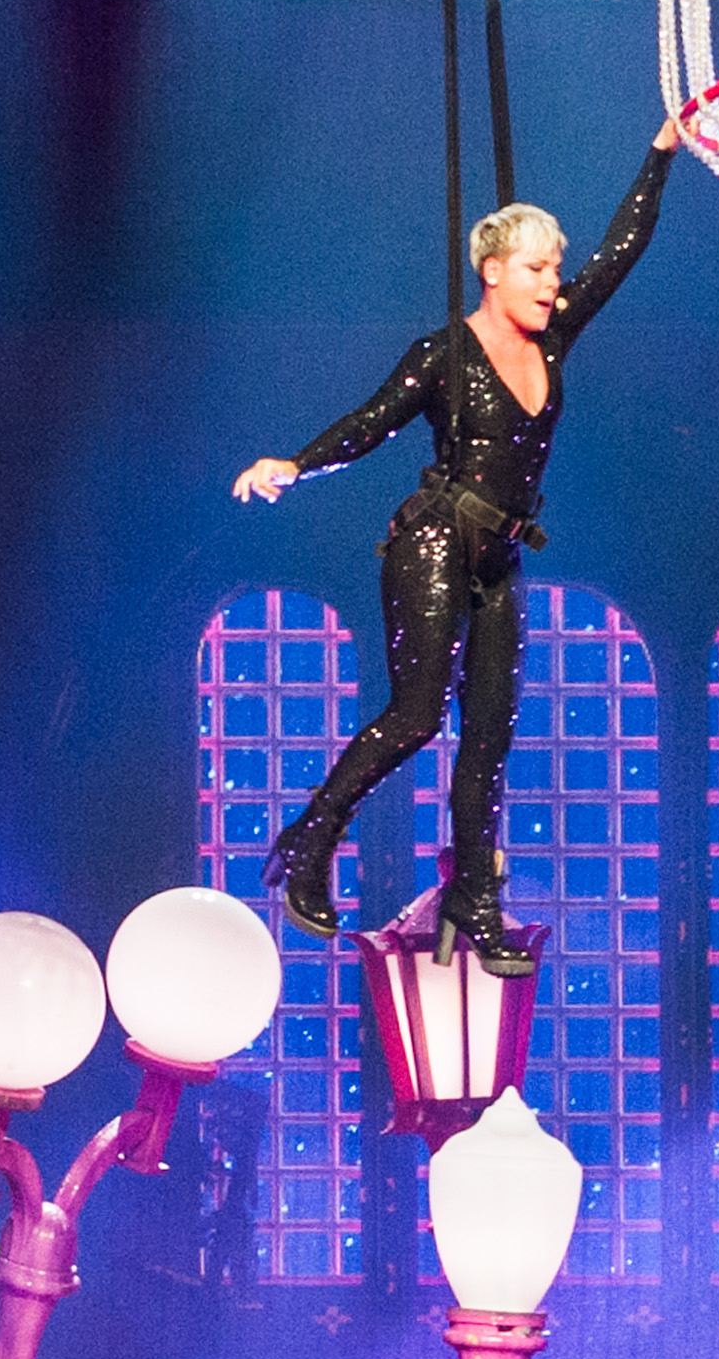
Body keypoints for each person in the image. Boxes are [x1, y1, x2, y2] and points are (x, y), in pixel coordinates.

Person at [231, 116, 684, 966]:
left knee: (489, 736)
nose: (554, 283)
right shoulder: (444, 353)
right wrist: (295, 463)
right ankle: (311, 841)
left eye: (555, 268)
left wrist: (659, 155)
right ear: (493, 272)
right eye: (537, 268)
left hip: (501, 559)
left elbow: (623, 250)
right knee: (414, 716)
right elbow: (372, 420)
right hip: (434, 542)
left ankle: (476, 898)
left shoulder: (554, 336)